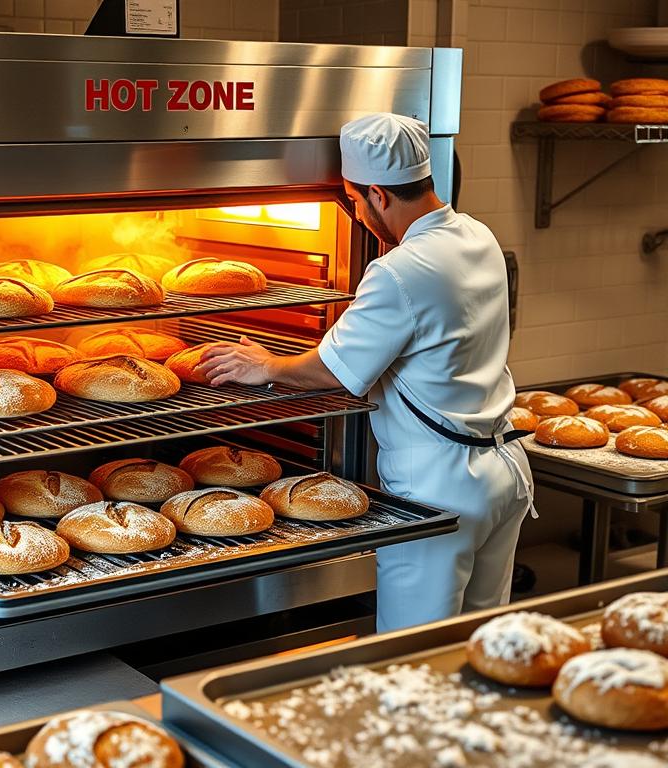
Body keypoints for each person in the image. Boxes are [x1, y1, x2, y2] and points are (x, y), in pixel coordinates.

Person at [198, 113, 535, 633]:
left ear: (378, 194)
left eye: (354, 201)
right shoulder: (478, 236)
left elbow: (333, 370)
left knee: (412, 652)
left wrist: (264, 366)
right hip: (502, 469)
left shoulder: (401, 270)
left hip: (438, 486)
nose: (356, 213)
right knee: (477, 644)